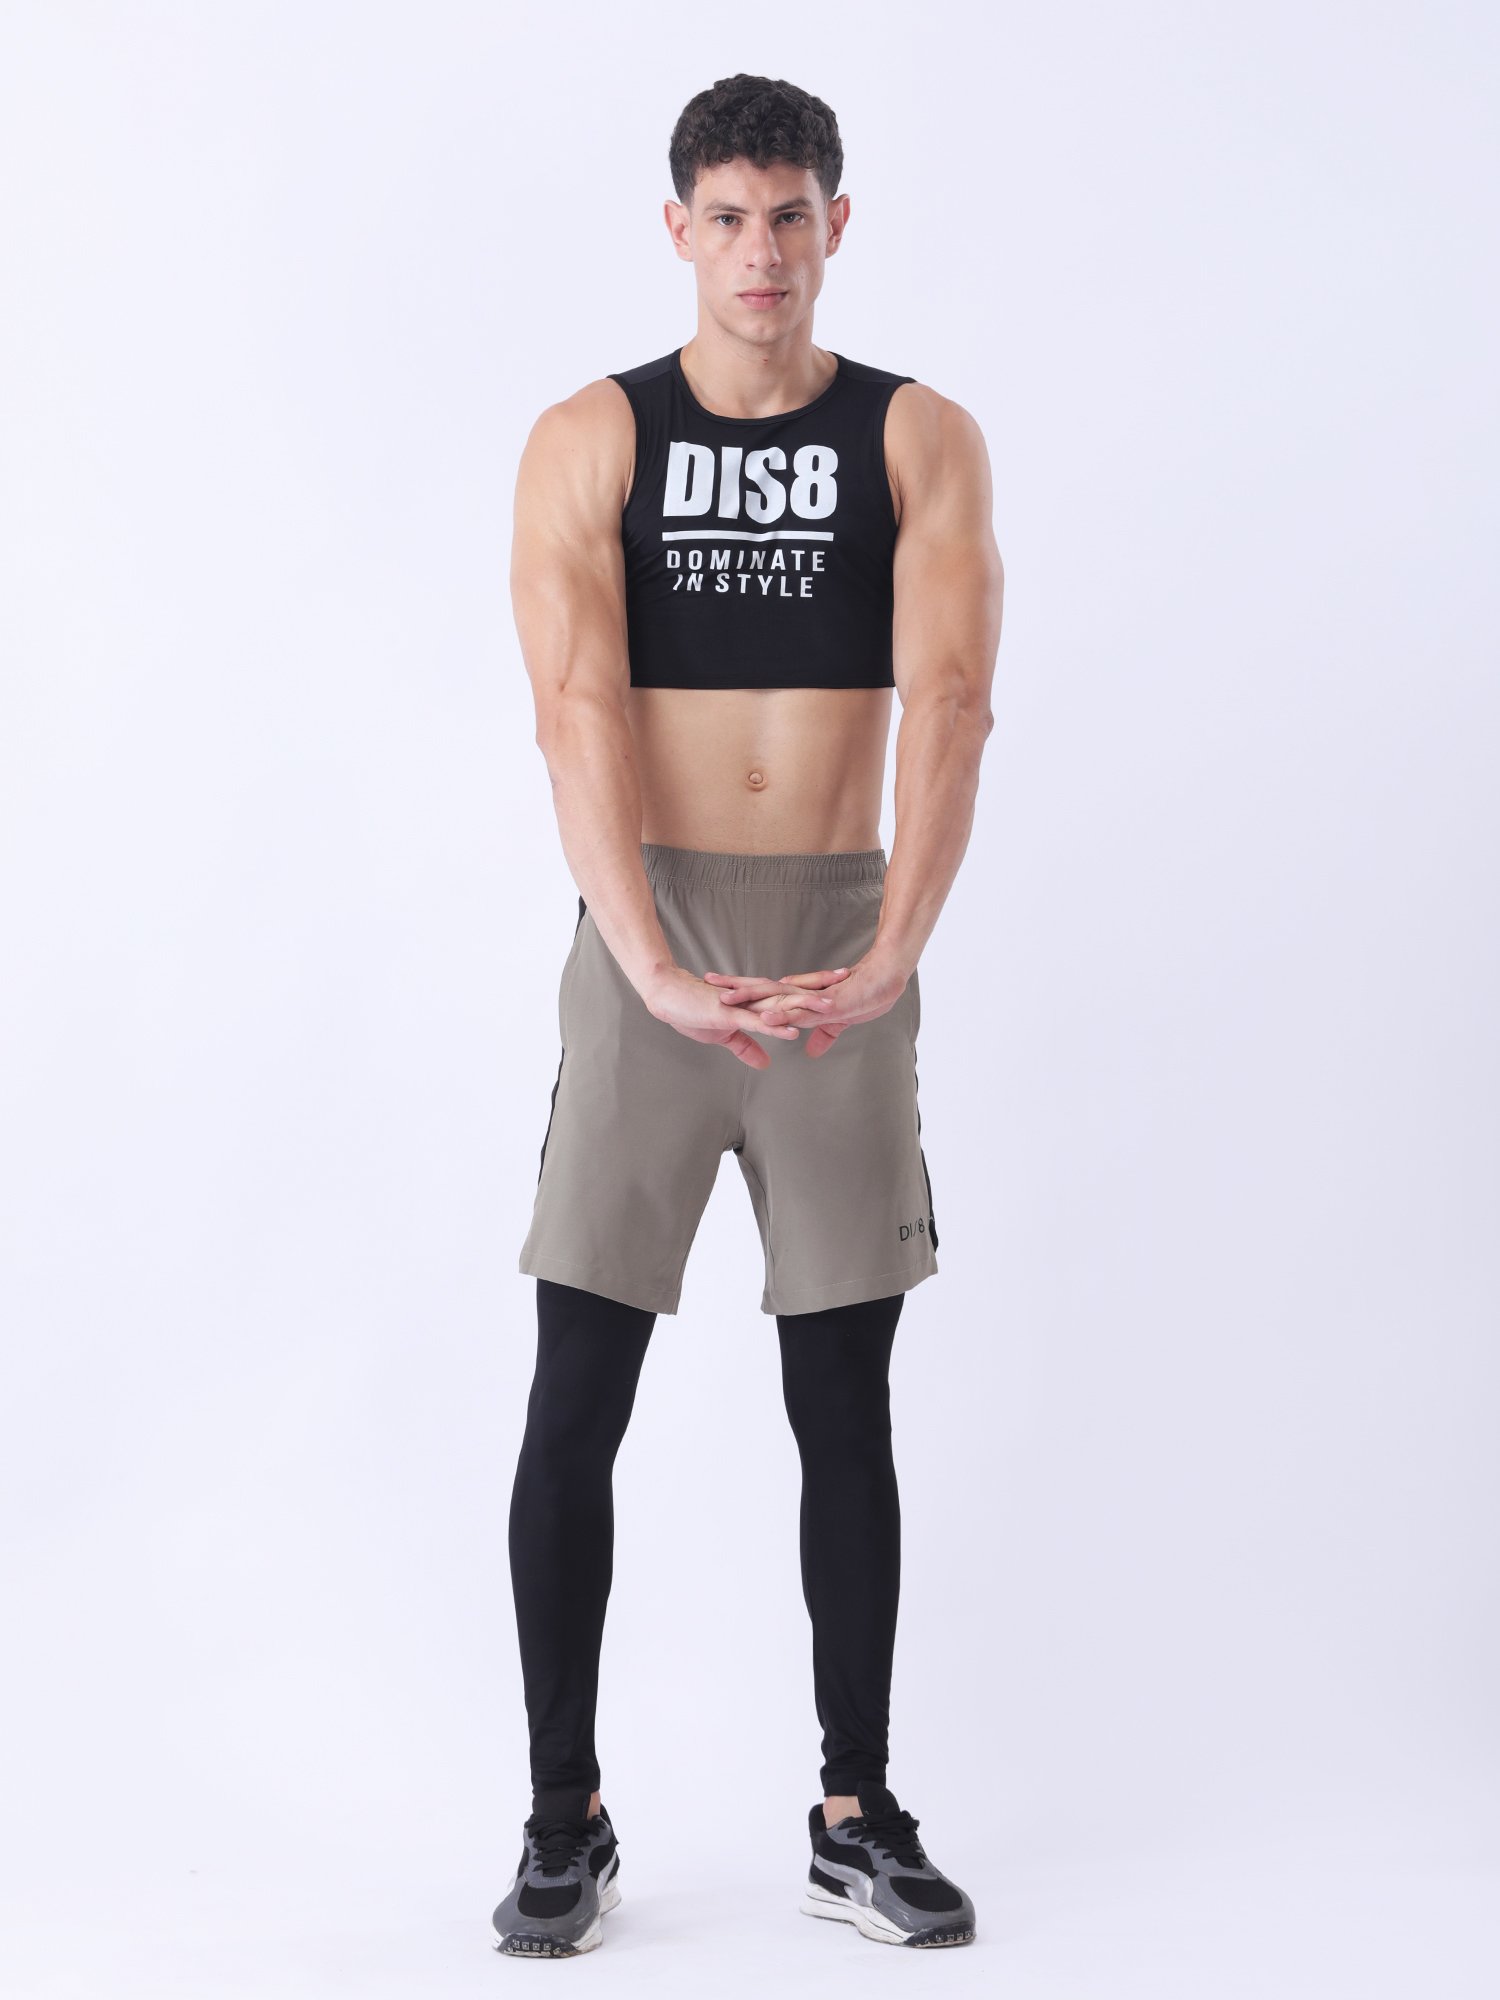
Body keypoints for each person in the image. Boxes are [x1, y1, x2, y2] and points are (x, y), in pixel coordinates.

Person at [491, 72, 1004, 1957]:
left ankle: (855, 1811)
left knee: (842, 1399)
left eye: (791, 215)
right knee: (578, 1395)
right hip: (653, 934)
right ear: (679, 231)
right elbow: (573, 709)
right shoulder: (593, 436)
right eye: (727, 216)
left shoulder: (915, 436)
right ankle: (563, 1816)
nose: (761, 251)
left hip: (840, 942)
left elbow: (952, 701)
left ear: (835, 226)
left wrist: (894, 948)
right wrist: (641, 959)